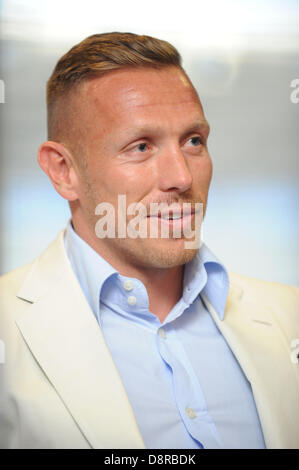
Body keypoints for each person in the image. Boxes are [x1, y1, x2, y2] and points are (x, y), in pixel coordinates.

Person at [0, 32, 298, 450]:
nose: (181, 177)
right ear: (63, 171)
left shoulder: (291, 315)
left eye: (193, 141)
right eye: (140, 147)